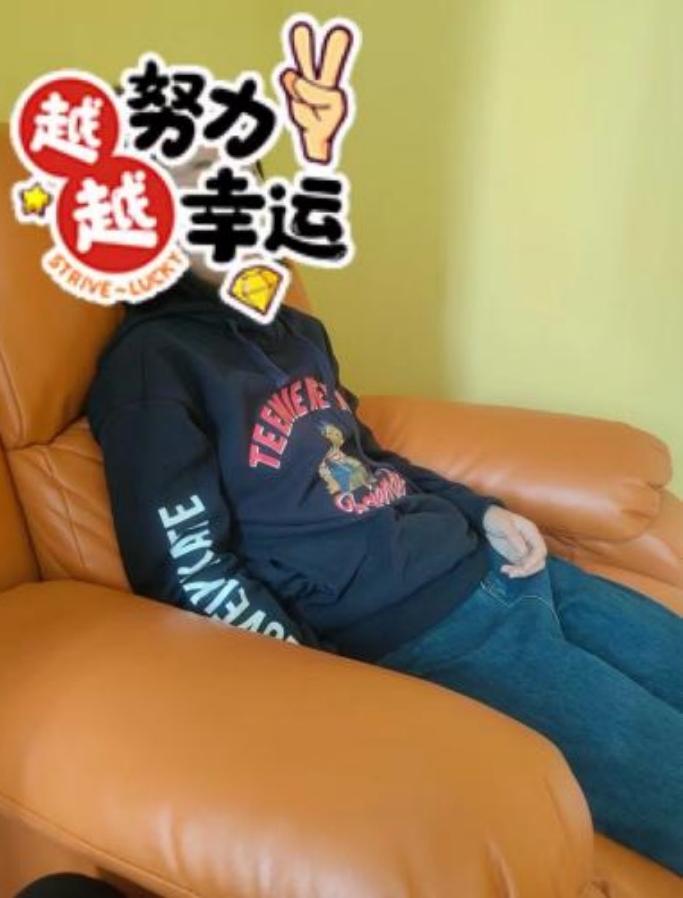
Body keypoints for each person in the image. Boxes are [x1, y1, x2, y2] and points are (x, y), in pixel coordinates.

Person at [86, 155, 683, 878]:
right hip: (430, 635)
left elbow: (366, 457)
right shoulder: (154, 366)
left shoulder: (297, 333)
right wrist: (324, 677)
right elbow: (187, 567)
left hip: (505, 566)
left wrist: (482, 511)